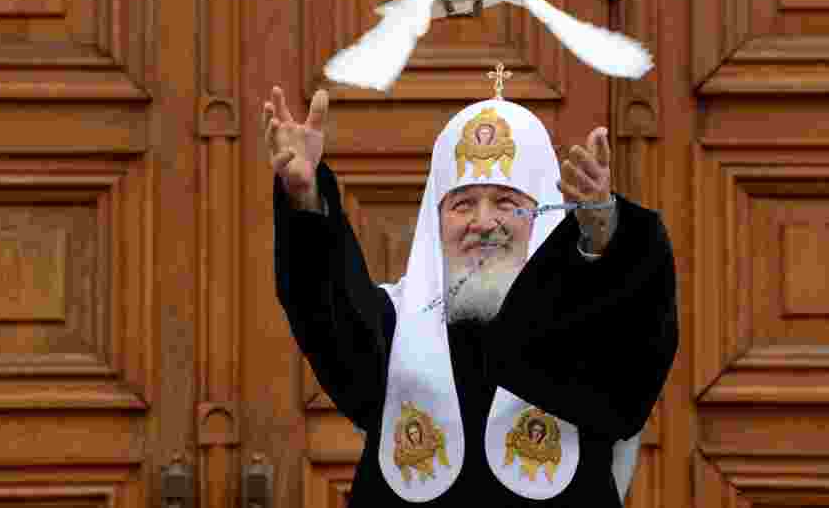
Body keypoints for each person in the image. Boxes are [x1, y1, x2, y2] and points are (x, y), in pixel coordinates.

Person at [265, 75, 677, 507]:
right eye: (462, 204)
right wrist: (304, 198)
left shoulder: (587, 319)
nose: (482, 223)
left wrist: (606, 230)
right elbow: (322, 309)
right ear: (437, 219)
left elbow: (639, 348)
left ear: (541, 215)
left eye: (506, 202)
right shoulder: (392, 322)